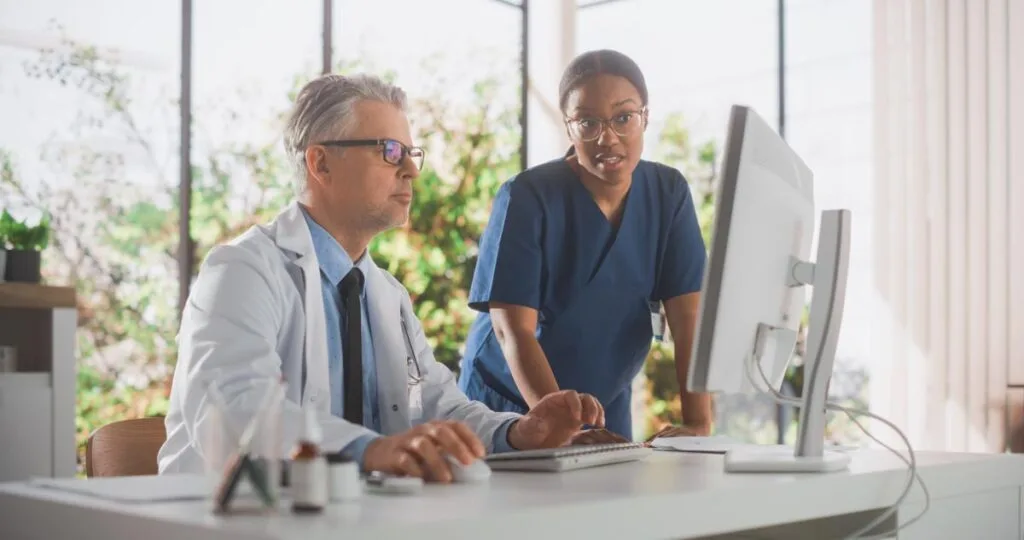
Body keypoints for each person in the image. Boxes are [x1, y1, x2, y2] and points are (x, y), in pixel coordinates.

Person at [158, 73, 607, 483]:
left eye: (410, 154)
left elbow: (441, 407)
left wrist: (520, 432)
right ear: (321, 163)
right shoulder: (242, 271)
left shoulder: (386, 294)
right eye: (389, 151)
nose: (410, 169)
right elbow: (234, 410)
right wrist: (371, 450)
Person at [457, 49, 713, 442]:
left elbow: (687, 320)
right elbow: (513, 331)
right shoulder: (526, 197)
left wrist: (699, 424)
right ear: (569, 127)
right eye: (587, 122)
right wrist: (556, 424)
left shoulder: (668, 194)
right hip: (509, 405)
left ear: (645, 116)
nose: (607, 138)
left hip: (603, 404)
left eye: (624, 118)